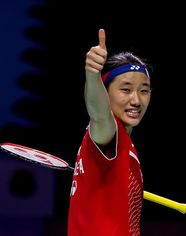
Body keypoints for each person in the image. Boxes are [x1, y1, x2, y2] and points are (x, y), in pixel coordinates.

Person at [68, 28, 152, 236]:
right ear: (105, 91)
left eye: (144, 90)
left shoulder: (124, 144)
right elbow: (99, 113)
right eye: (125, 89)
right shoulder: (107, 134)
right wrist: (92, 73)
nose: (136, 100)